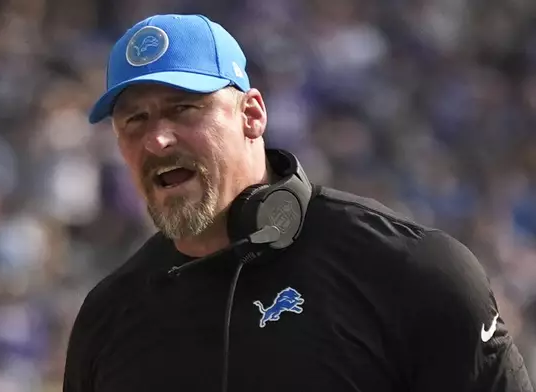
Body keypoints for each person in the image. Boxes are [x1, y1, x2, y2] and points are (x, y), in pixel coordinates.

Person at [63, 13, 534, 392]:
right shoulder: (107, 319)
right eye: (134, 121)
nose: (157, 139)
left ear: (252, 114)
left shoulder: (414, 272)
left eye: (182, 109)